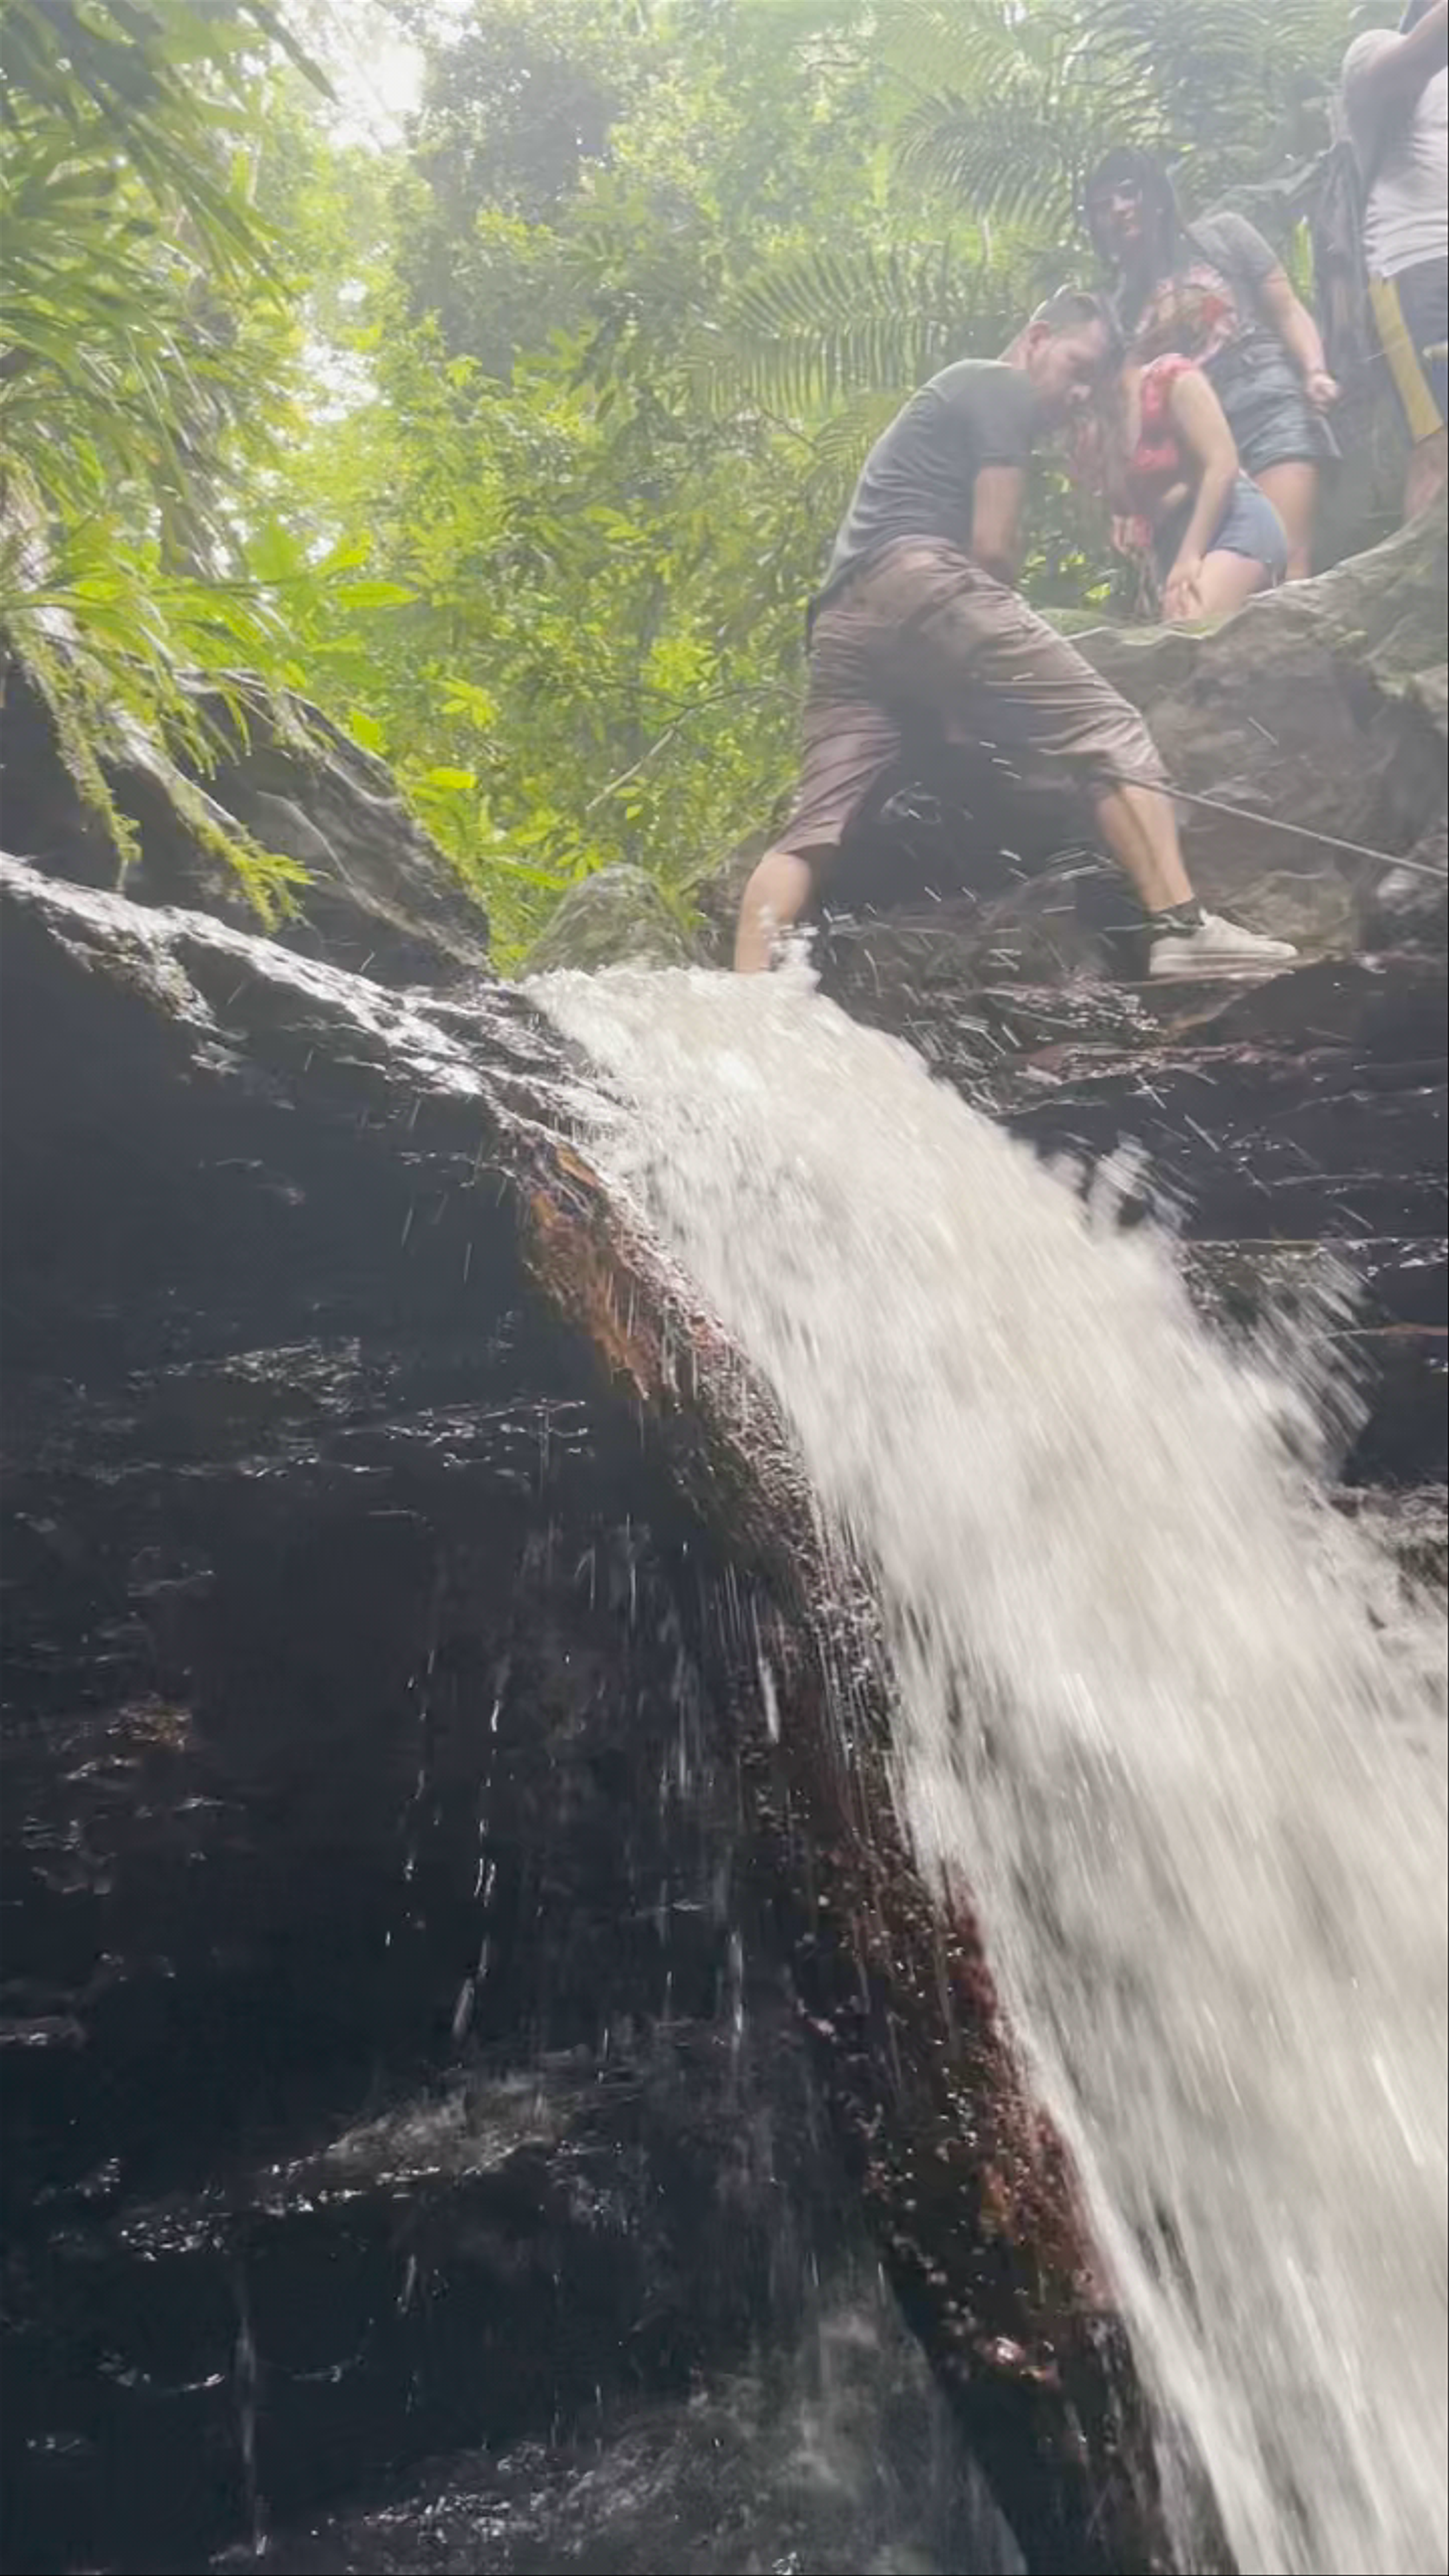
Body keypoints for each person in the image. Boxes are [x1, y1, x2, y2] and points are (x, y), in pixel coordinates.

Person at [733, 290, 1296, 982]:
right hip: (921, 580)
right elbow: (993, 549)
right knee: (1108, 726)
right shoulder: (999, 384)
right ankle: (1181, 928)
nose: (1080, 394)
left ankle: (749, 992)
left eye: (1093, 384)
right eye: (1078, 367)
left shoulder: (949, 397)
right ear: (1037, 338)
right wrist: (998, 659)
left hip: (841, 625)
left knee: (815, 829)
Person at [1085, 149, 1339, 578]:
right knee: (1222, 577)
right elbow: (1122, 413)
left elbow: (1286, 308)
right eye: (1104, 205)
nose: (1120, 209)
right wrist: (1126, 504)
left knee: (1288, 560)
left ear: (1158, 195)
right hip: (1192, 447)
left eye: (1130, 193)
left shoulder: (1224, 237)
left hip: (1266, 403)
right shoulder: (1116, 313)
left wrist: (1315, 371)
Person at [1342, 0, 1447, 523]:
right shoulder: (1374, 51)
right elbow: (1413, 61)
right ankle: (1422, 577)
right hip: (1416, 265)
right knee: (1438, 447)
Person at [1093, 346, 1289, 620]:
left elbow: (1223, 464)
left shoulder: (1169, 380)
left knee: (1188, 623)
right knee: (1186, 632)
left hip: (1232, 520)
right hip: (1172, 540)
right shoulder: (1097, 423)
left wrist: (1189, 556)